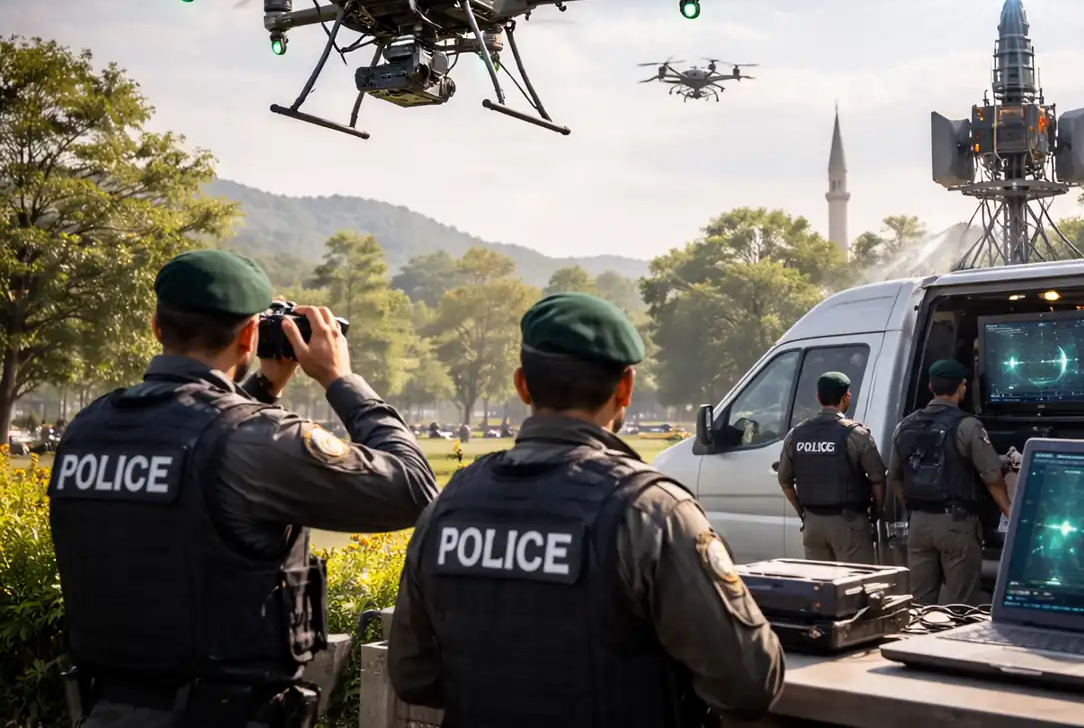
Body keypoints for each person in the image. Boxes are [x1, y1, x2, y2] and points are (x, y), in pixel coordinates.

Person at [47, 249, 439, 728]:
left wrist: (263, 388)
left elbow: (197, 455)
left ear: (156, 326)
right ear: (250, 335)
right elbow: (412, 488)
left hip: (108, 708)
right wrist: (341, 378)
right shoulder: (252, 437)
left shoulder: (89, 427)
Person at [388, 292, 784, 726]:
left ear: (522, 385)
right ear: (626, 388)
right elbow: (748, 684)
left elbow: (413, 676)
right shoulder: (652, 512)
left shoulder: (448, 505)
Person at [888, 358, 1011, 605]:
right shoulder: (968, 426)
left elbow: (894, 477)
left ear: (930, 387)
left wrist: (914, 507)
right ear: (962, 387)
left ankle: (917, 643)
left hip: (919, 525)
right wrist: (1011, 512)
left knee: (920, 602)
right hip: (956, 524)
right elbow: (993, 477)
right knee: (959, 605)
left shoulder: (904, 426)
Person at [776, 371, 887, 563]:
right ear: (847, 396)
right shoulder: (856, 434)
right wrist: (874, 514)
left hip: (812, 526)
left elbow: (784, 480)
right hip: (849, 523)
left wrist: (803, 513)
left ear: (818, 397)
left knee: (821, 587)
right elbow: (878, 479)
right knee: (856, 585)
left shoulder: (796, 435)